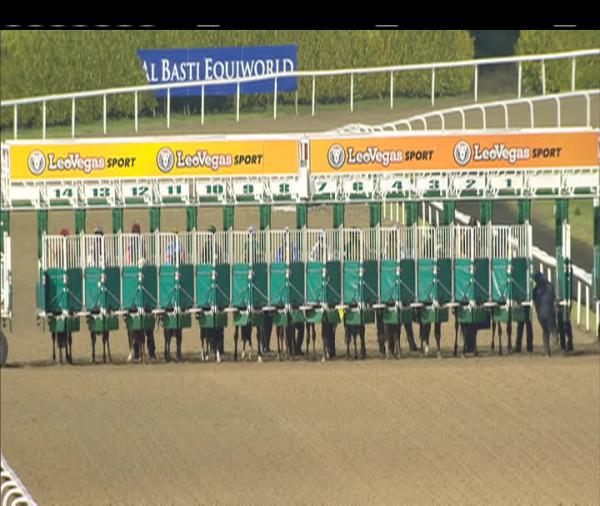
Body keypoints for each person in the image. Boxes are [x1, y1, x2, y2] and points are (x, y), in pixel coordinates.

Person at [129, 222, 157, 360]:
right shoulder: (133, 245)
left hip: (140, 285)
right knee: (139, 324)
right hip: (135, 283)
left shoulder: (139, 244)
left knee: (146, 324)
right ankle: (142, 351)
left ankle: (148, 351)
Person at [532, 271, 558, 356]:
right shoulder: (550, 286)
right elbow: (554, 297)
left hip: (541, 313)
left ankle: (547, 352)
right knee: (552, 327)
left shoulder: (535, 290)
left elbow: (535, 302)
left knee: (545, 331)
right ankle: (554, 334)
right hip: (550, 311)